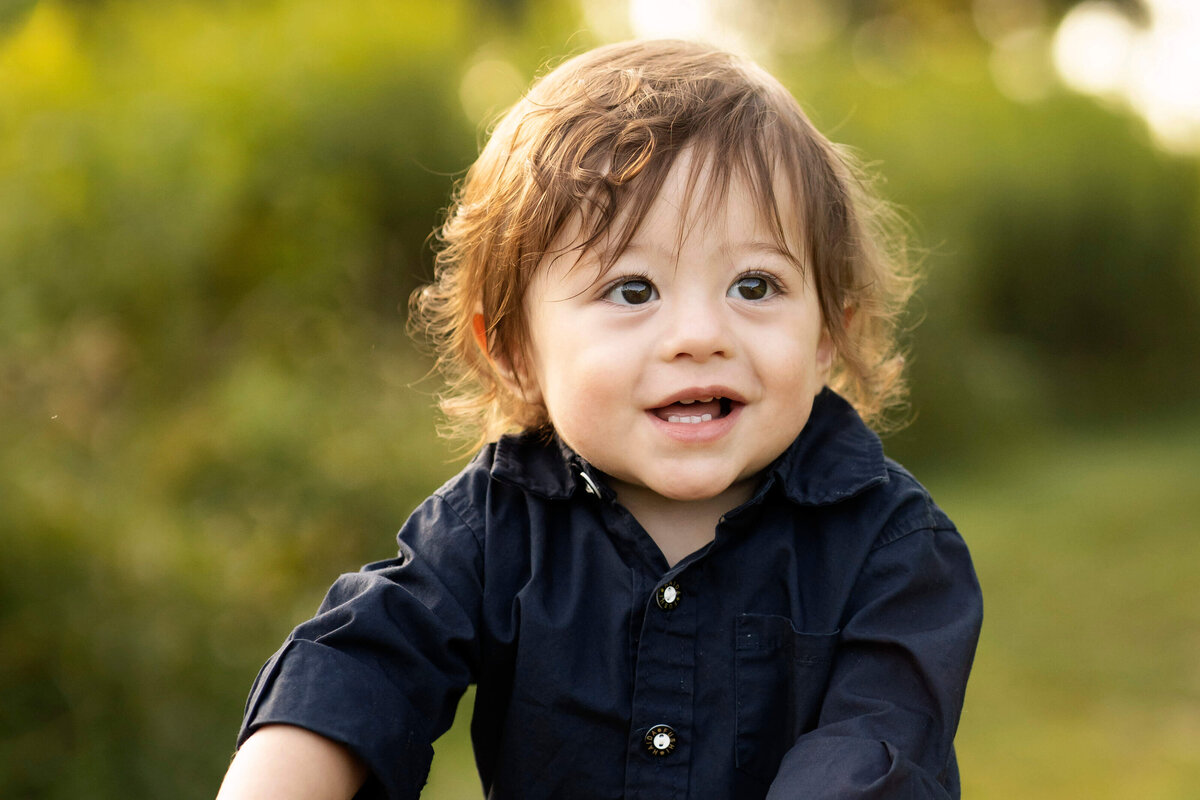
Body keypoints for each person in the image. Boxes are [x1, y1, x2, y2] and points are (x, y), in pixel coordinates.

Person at [217, 39, 982, 800]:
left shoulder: (895, 551)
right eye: (632, 290)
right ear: (514, 349)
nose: (698, 336)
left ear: (825, 335)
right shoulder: (494, 531)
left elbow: (870, 754)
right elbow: (363, 665)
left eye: (754, 285)